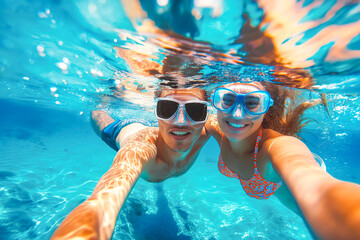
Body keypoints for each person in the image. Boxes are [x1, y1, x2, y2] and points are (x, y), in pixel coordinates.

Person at [205, 81, 360, 239]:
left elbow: (318, 189)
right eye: (228, 100)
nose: (237, 114)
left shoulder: (273, 147)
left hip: (301, 208)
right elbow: (204, 124)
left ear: (266, 109)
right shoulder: (218, 130)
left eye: (252, 103)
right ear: (216, 102)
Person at [51, 88, 211, 240]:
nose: (181, 121)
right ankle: (100, 104)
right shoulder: (139, 148)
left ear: (206, 113)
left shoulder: (207, 130)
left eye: (195, 111)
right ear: (157, 112)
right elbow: (103, 202)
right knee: (97, 113)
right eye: (168, 108)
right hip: (124, 130)